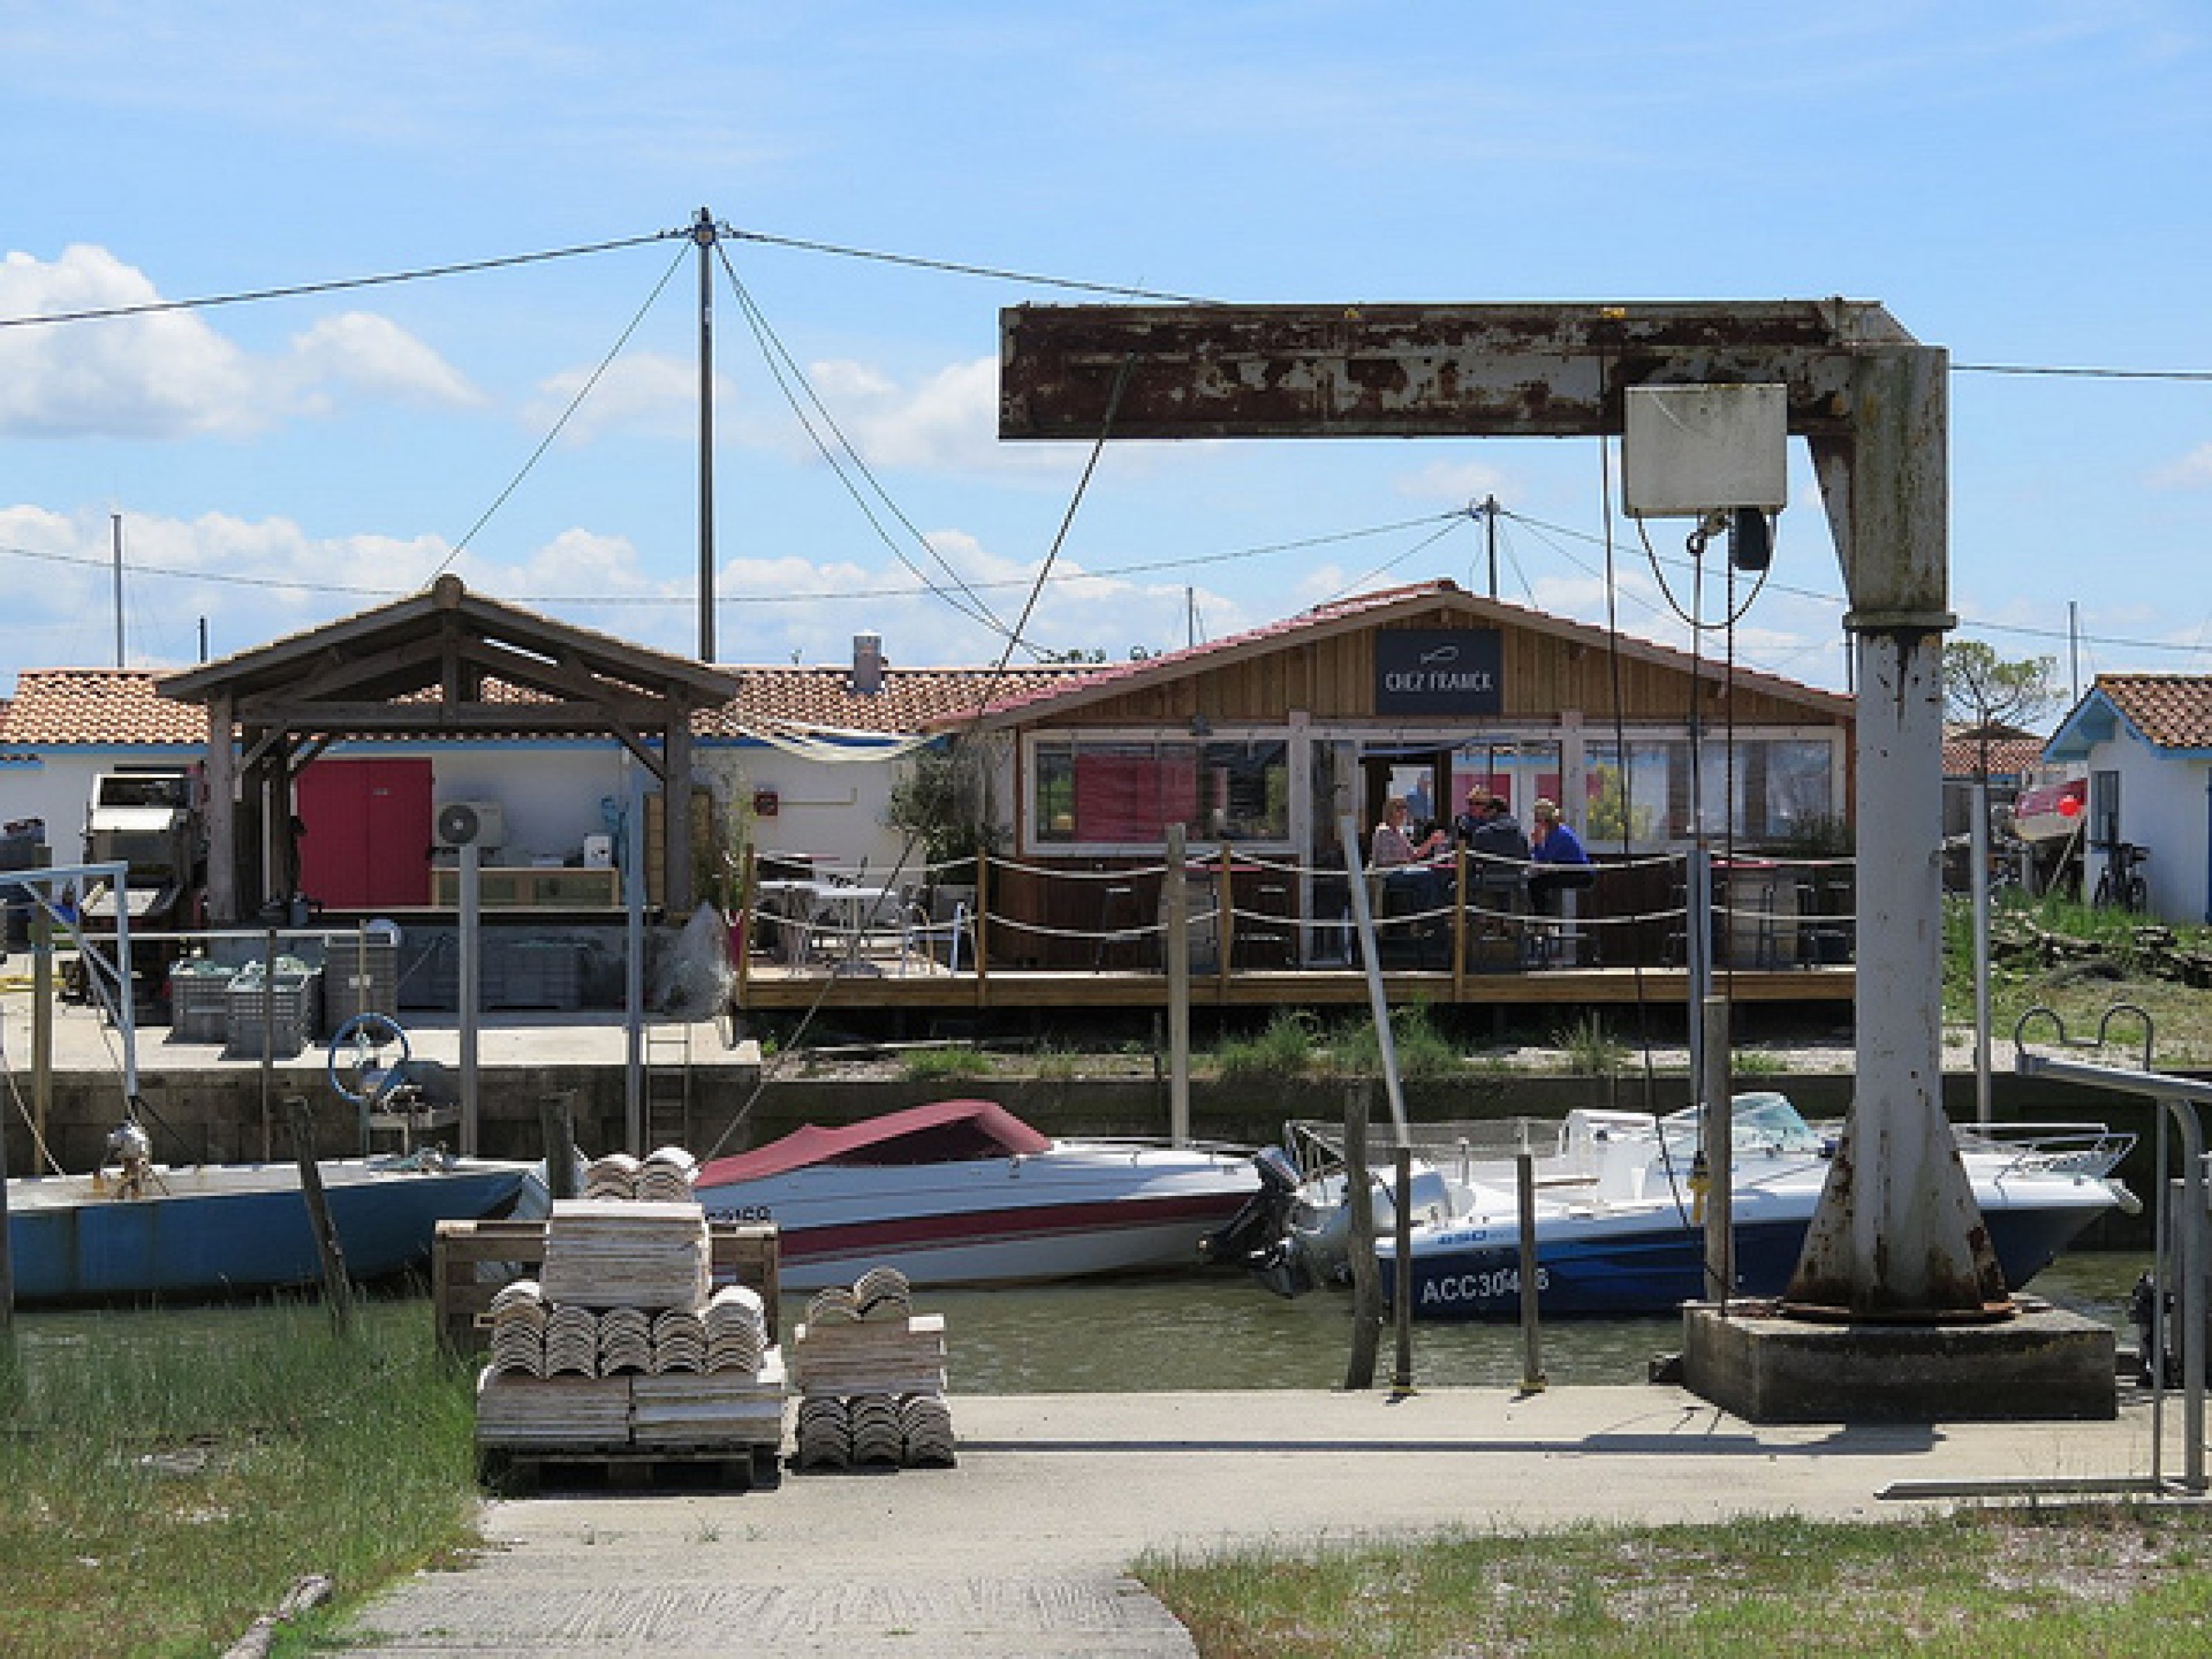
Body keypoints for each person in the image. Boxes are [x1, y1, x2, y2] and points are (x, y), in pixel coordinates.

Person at [1526, 796, 1596, 914]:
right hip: (1568, 870)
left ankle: (1543, 918)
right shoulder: (1555, 833)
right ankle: (1545, 916)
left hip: (1579, 873)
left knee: (1536, 883)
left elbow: (1544, 860)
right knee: (1540, 881)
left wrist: (1537, 844)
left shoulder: (1559, 835)